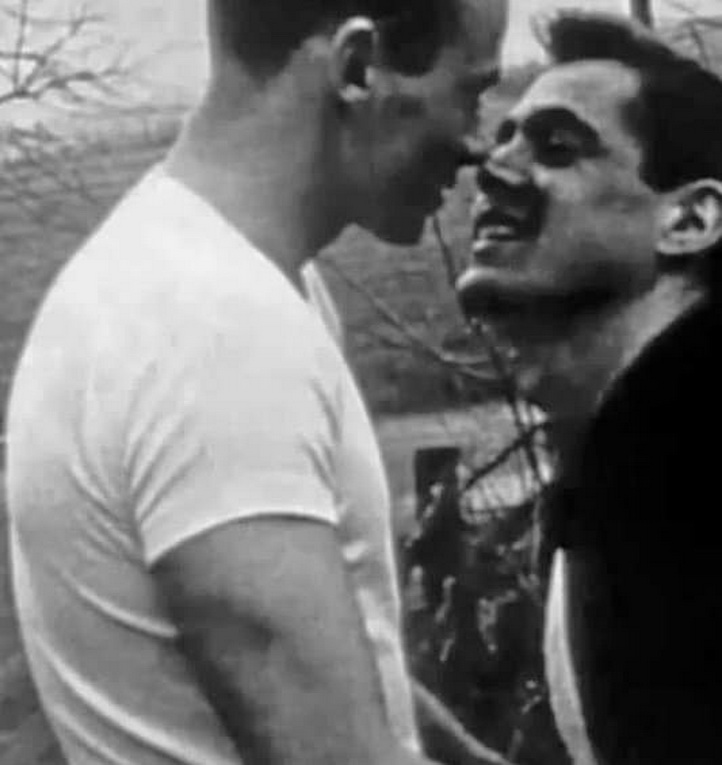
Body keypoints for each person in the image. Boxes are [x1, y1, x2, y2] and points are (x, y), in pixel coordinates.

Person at [5, 1, 508, 764]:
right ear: (357, 68)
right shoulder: (209, 333)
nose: (479, 143)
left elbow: (327, 664)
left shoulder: (226, 283)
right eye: (470, 93)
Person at [456, 12, 722, 765]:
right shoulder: (629, 459)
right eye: (504, 138)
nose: (494, 167)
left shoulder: (686, 473)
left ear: (690, 218)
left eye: (557, 147)